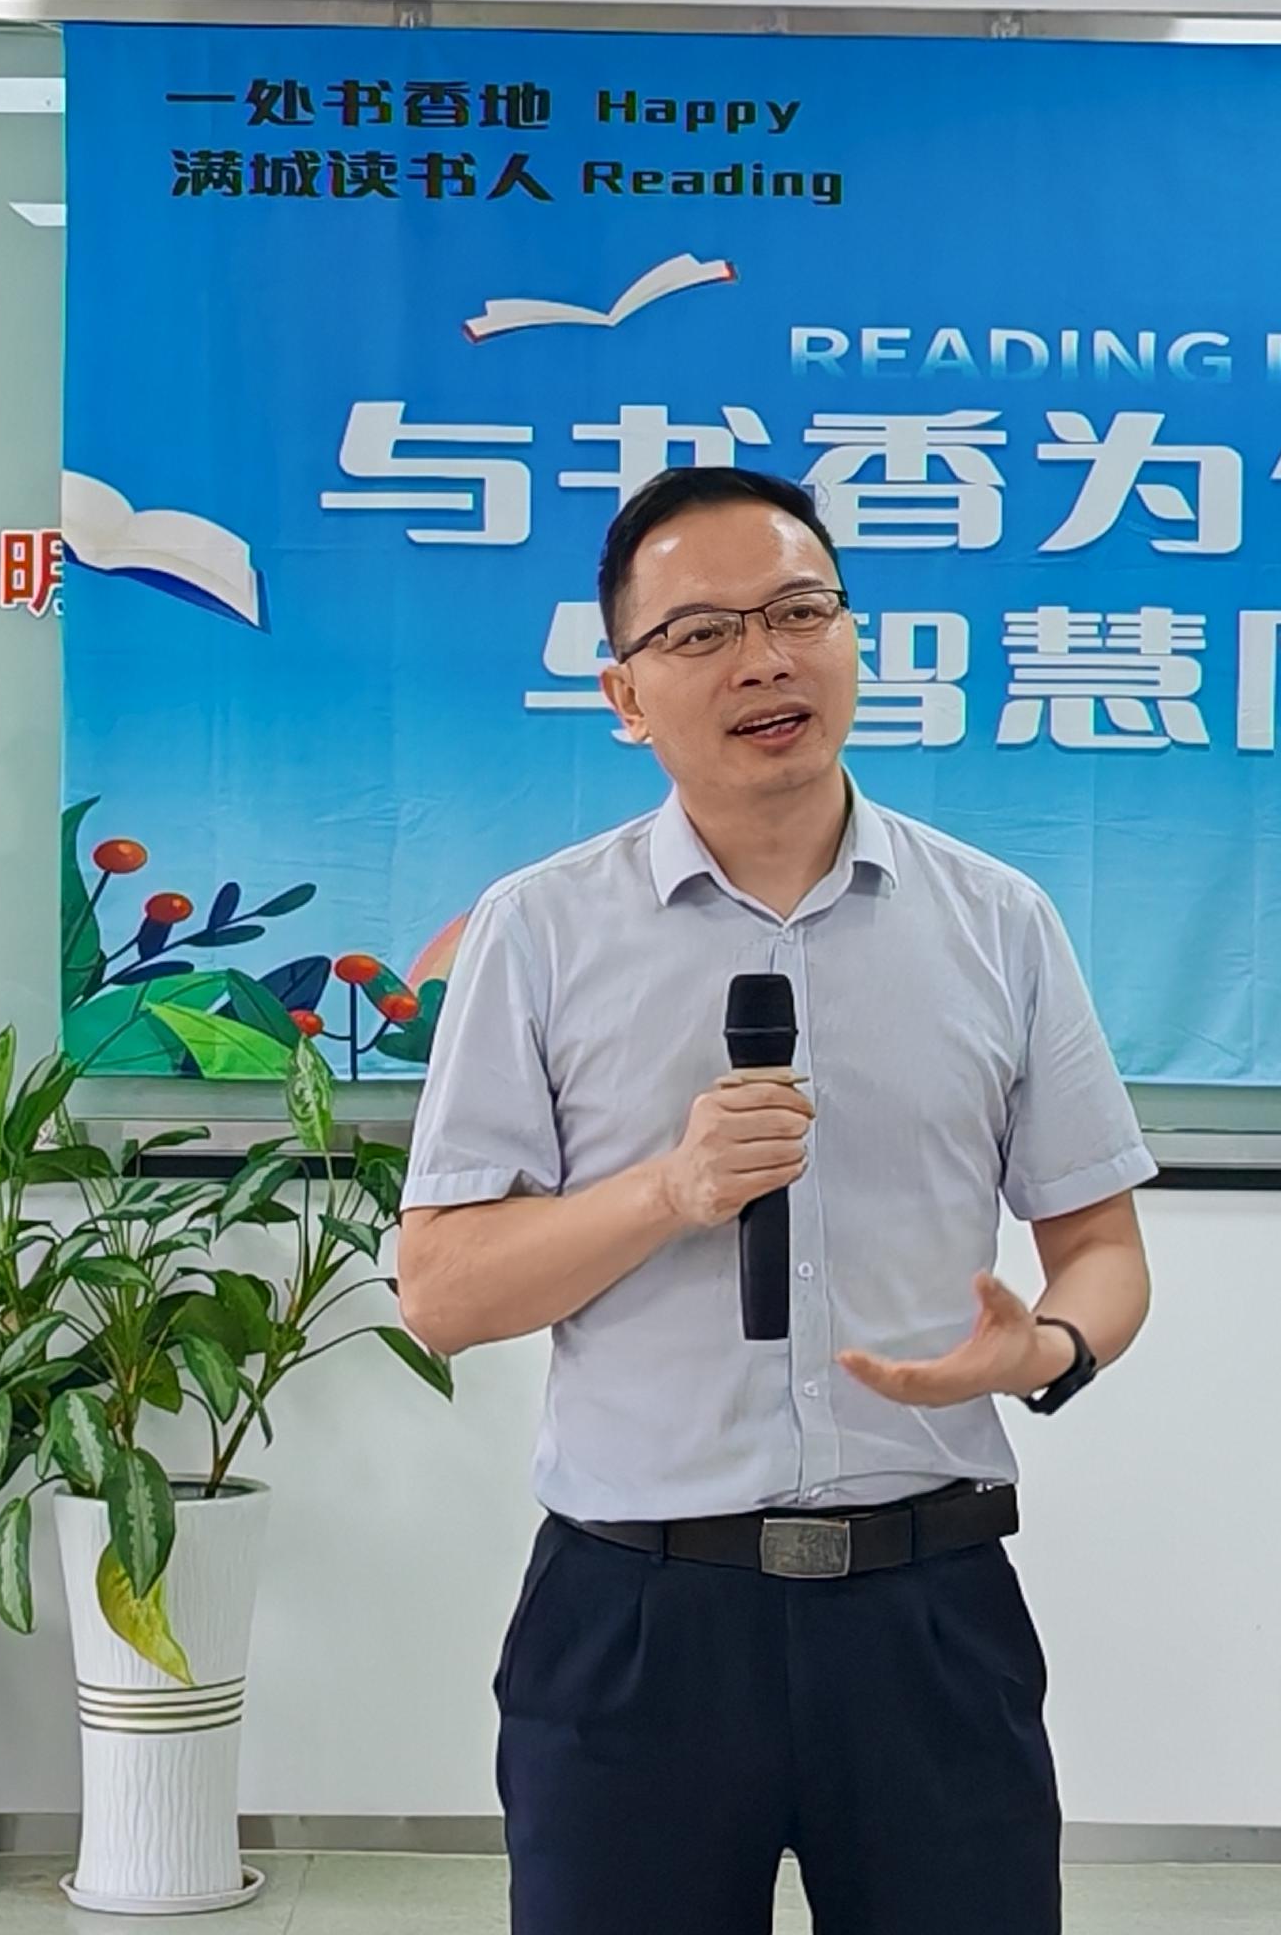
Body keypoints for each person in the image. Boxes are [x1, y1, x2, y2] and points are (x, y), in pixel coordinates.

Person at [396, 465, 1156, 1935]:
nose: (764, 659)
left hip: (928, 1608)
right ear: (625, 695)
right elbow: (441, 1293)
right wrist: (669, 1188)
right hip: (637, 1622)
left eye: (801, 612)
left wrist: (1051, 1345)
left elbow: (1102, 1246)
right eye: (701, 633)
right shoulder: (538, 931)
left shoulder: (996, 921)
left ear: (853, 639)